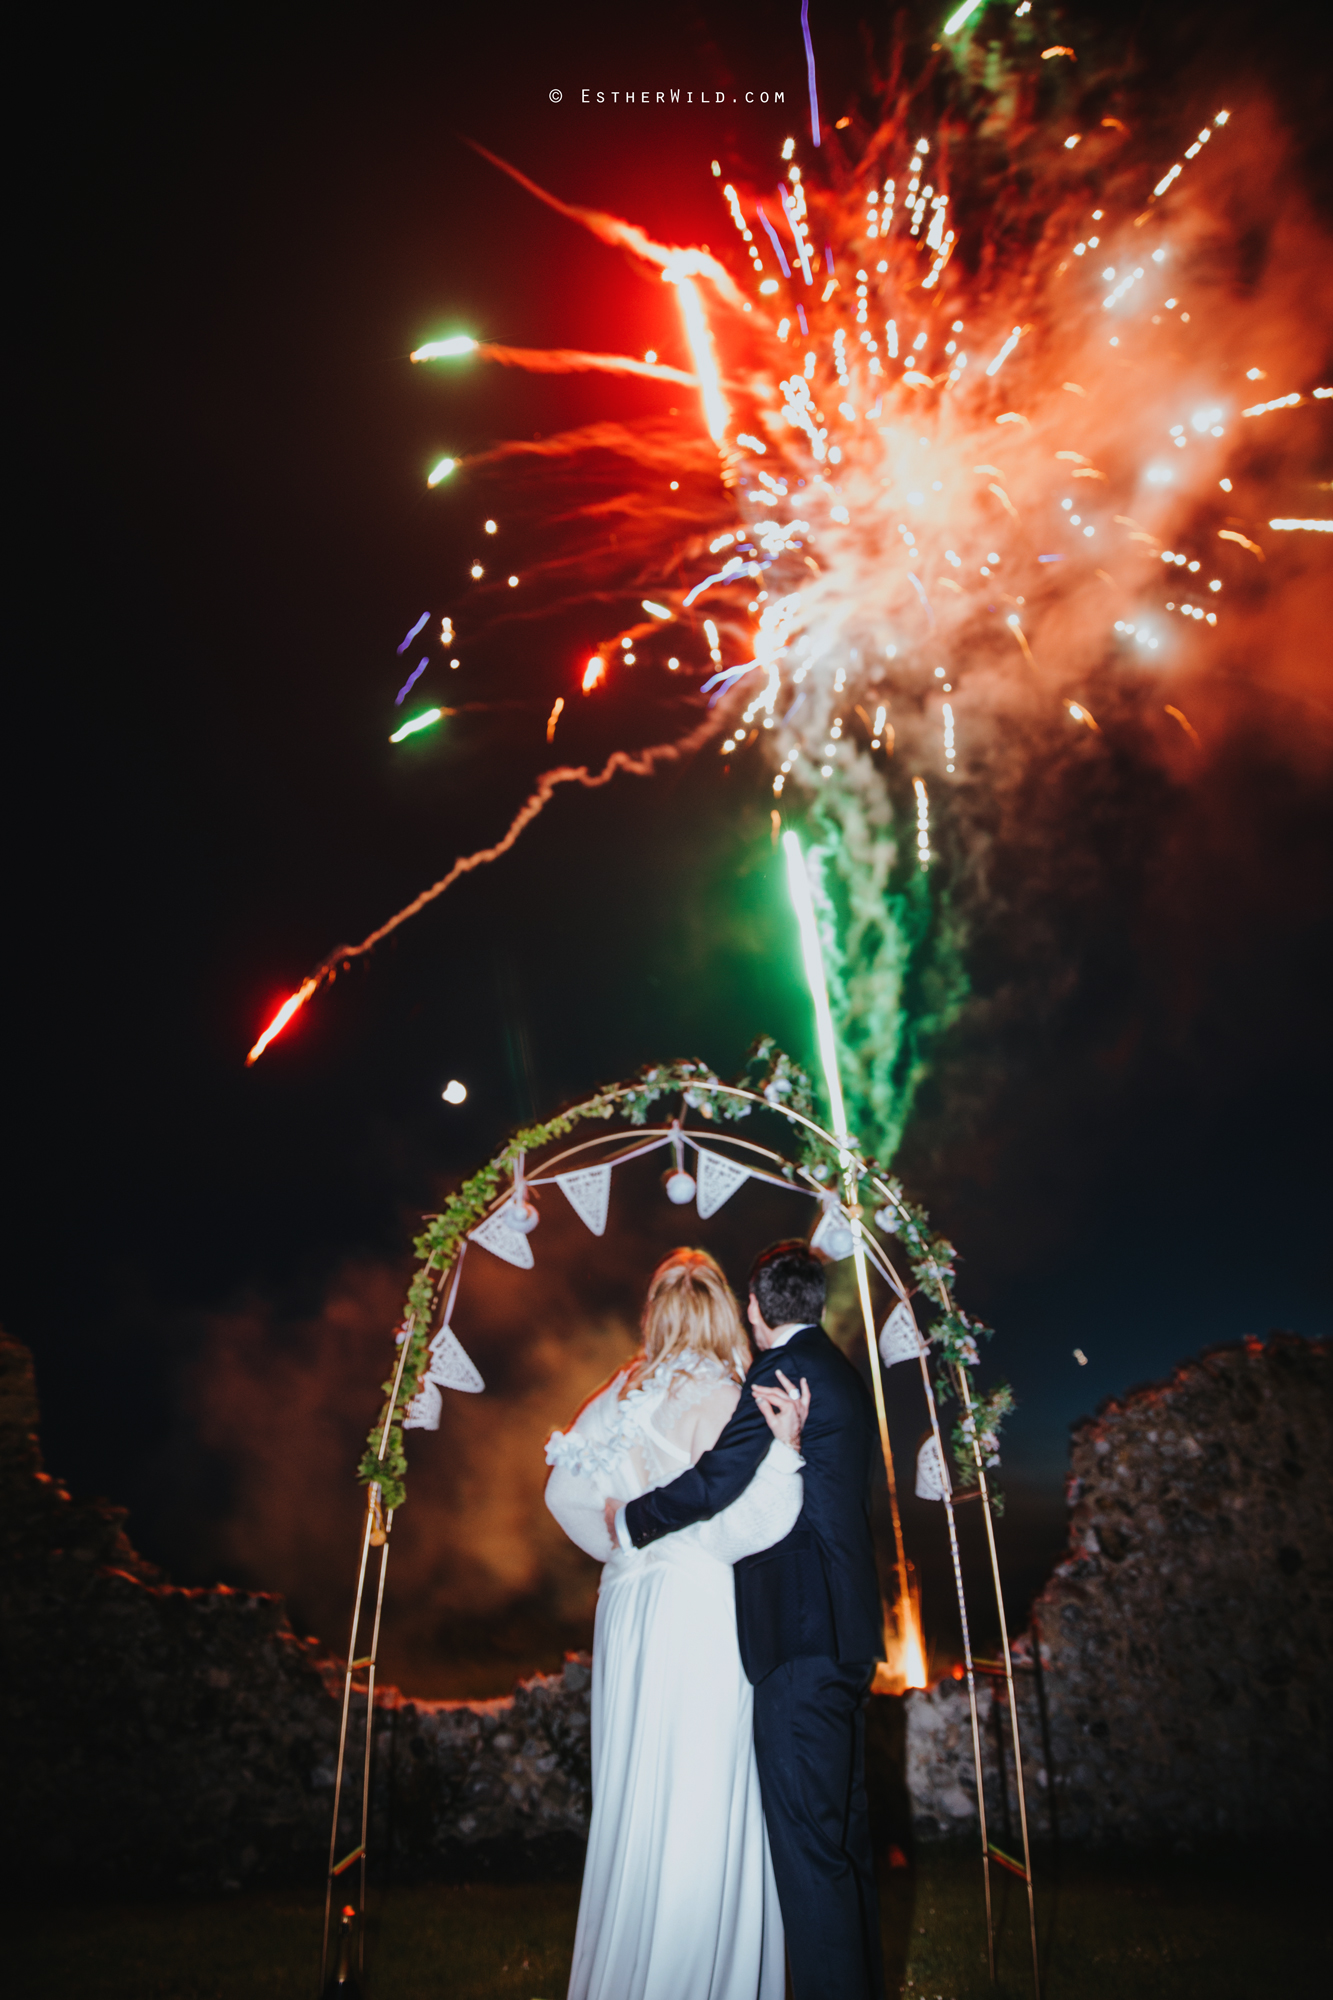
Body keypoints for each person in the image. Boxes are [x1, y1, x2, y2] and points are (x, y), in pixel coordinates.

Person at [614, 1239, 885, 2000]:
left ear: (755, 1308)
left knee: (809, 1853)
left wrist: (630, 1520)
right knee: (842, 1842)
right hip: (842, 1636)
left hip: (799, 1640)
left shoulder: (779, 1371)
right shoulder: (836, 1369)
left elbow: (715, 1480)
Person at [544, 1247, 811, 2000]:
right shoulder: (725, 1394)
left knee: (636, 1795)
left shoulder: (621, 1390)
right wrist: (786, 1452)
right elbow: (743, 1528)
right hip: (695, 1611)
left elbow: (563, 1497)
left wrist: (625, 1555)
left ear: (654, 1313)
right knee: (700, 1795)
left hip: (628, 1612)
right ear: (726, 1310)